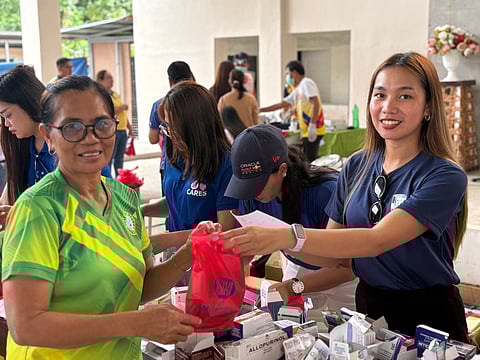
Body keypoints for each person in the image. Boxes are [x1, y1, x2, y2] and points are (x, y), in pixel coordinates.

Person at [223, 52, 470, 342]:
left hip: (428, 316)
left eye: (404, 96)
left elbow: (376, 240)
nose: (388, 107)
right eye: (380, 95)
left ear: (428, 107)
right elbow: (334, 257)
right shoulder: (356, 165)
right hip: (369, 309)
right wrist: (270, 246)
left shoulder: (444, 175)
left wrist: (285, 237)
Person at [1, 75, 205, 359]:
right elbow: (26, 325)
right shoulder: (39, 209)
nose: (91, 138)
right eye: (72, 127)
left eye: (102, 124)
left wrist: (185, 256)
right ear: (48, 134)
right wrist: (135, 322)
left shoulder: (124, 198)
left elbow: (139, 286)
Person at [224, 124, 357, 310]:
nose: (253, 193)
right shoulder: (252, 197)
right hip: (298, 268)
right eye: (245, 185)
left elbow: (345, 267)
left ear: (282, 170)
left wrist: (292, 286)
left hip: (341, 281)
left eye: (258, 184)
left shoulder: (326, 192)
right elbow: (244, 254)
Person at [142, 81, 238, 256]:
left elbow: (223, 231)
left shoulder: (225, 166)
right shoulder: (175, 156)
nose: (169, 133)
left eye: (172, 127)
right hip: (174, 252)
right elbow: (176, 202)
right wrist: (141, 210)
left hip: (209, 259)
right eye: (166, 126)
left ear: (194, 126)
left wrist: (165, 240)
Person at [0, 66, 111, 207]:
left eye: (8, 115)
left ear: (27, 103)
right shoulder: (24, 150)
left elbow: (100, 205)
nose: (6, 124)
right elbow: (8, 198)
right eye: (2, 118)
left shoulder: (74, 147)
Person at [259, 60, 326, 162]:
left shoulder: (306, 83)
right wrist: (260, 110)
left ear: (294, 72)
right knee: (307, 159)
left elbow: (315, 102)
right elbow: (283, 104)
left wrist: (312, 125)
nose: (287, 77)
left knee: (310, 161)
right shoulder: (299, 89)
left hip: (314, 128)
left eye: (287, 74)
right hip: (306, 131)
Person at [96, 70, 133, 177]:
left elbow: (123, 114)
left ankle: (120, 178)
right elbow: (108, 110)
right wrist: (122, 107)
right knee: (109, 157)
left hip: (122, 129)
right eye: (108, 78)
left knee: (119, 157)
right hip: (111, 131)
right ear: (101, 80)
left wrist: (129, 126)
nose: (111, 80)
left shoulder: (115, 94)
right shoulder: (101, 95)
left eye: (112, 78)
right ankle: (108, 180)